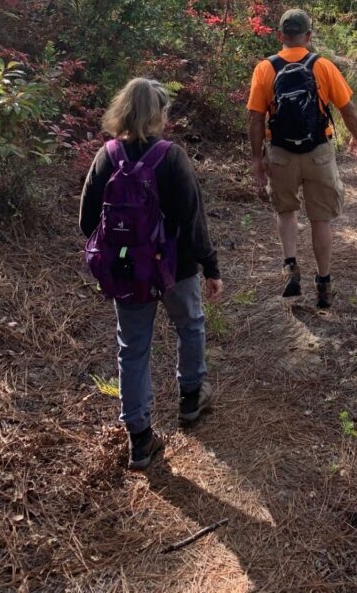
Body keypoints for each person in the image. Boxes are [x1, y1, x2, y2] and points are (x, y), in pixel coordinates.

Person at [79, 77, 223, 470]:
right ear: (159, 114)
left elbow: (87, 221)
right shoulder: (171, 157)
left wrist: (121, 249)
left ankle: (140, 437)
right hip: (175, 267)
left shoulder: (106, 157)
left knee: (133, 348)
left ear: (123, 110)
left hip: (128, 271)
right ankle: (192, 397)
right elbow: (194, 222)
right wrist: (210, 267)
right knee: (189, 324)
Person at [247, 9, 357, 309]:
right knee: (320, 219)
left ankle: (290, 267)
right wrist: (356, 137)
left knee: (286, 212)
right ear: (308, 36)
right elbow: (347, 108)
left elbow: (255, 118)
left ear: (280, 35)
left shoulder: (264, 68)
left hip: (281, 153)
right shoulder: (322, 66)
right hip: (318, 153)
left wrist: (257, 159)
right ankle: (323, 283)